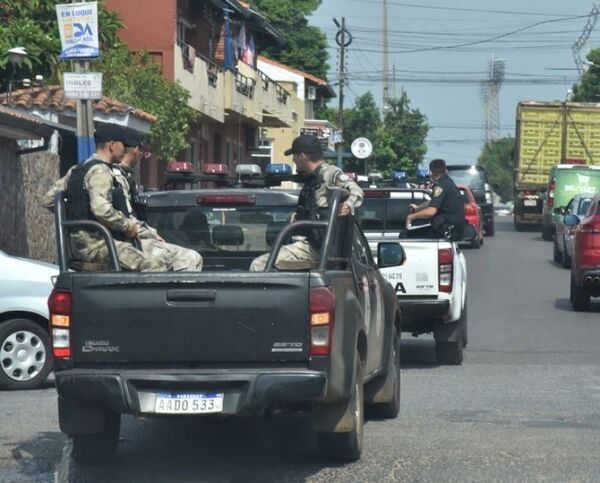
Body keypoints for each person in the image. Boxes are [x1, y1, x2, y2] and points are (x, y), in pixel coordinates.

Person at [59, 124, 166, 271]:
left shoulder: (77, 169)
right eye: (123, 144)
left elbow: (50, 199)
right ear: (112, 145)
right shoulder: (101, 171)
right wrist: (128, 226)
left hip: (77, 245)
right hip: (98, 244)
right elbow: (101, 209)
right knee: (154, 265)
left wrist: (75, 217)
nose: (124, 150)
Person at [250, 134, 363, 271]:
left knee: (259, 265)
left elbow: (356, 190)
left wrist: (348, 204)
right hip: (315, 244)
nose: (293, 160)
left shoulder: (328, 173)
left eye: (295, 156)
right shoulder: (311, 179)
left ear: (302, 155)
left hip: (318, 248)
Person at [112, 129, 203, 271]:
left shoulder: (121, 175)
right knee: (190, 258)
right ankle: (177, 293)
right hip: (126, 241)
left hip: (125, 239)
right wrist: (151, 234)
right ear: (136, 150)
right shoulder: (117, 177)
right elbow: (125, 217)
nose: (142, 156)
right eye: (143, 152)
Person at [406, 158, 465, 240]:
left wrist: (411, 217)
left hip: (446, 231)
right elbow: (434, 202)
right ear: (445, 170)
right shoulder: (448, 182)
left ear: (430, 172)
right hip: (453, 230)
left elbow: (431, 212)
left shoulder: (440, 186)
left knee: (405, 235)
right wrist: (417, 208)